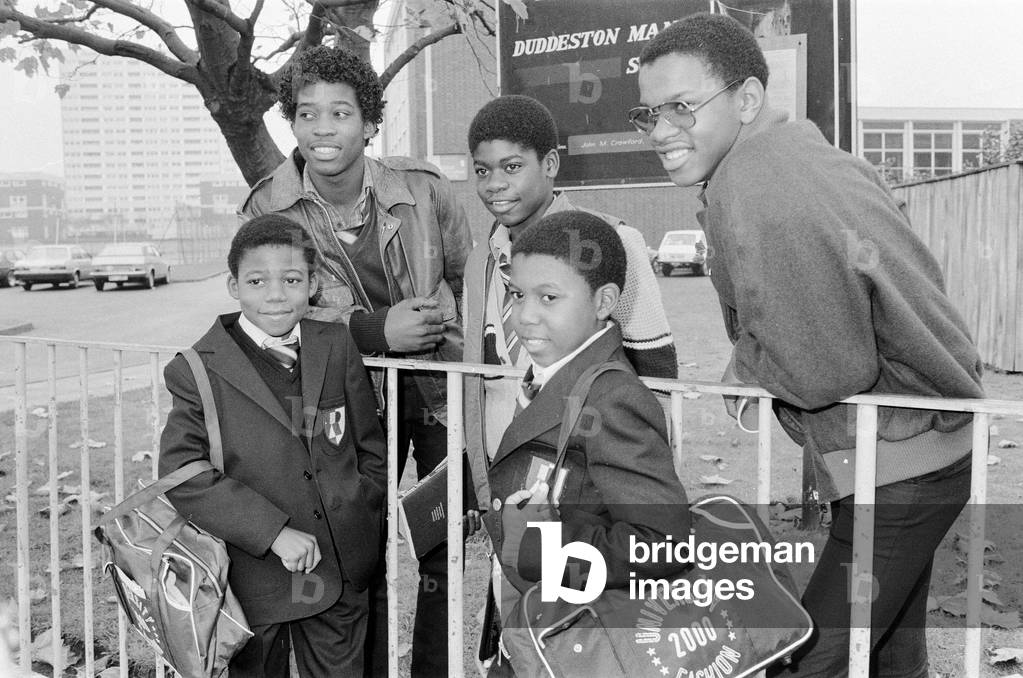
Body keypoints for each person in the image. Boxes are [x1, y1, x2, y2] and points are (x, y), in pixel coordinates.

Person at [634, 13, 984, 677]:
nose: (658, 131)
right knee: (887, 660)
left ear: (745, 99)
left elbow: (824, 370)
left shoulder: (756, 187)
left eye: (681, 106)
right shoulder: (798, 156)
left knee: (803, 661)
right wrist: (750, 359)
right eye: (647, 112)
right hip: (923, 446)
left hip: (899, 467)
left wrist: (754, 368)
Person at [238, 46, 474, 677]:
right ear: (292, 121)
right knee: (353, 546)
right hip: (341, 398)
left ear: (369, 121)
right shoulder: (270, 207)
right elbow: (273, 311)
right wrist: (375, 330)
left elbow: (466, 280)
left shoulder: (424, 189)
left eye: (340, 112)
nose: (323, 129)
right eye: (307, 113)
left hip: (439, 393)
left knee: (442, 543)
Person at [159, 214, 386, 677]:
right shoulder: (197, 368)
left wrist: (362, 506)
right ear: (233, 284)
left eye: (292, 279)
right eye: (257, 281)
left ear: (313, 284)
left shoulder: (335, 343)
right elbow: (183, 472)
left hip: (339, 572)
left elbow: (368, 444)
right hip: (253, 583)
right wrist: (272, 533)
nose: (276, 295)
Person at [463, 94, 678, 511]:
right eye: (481, 170)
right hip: (507, 475)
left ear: (550, 165)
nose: (494, 184)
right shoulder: (481, 262)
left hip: (587, 482)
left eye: (512, 167)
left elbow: (657, 380)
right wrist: (479, 479)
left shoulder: (613, 244)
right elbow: (477, 380)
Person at [485, 210, 688, 637]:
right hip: (537, 612)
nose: (523, 316)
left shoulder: (613, 397)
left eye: (548, 298)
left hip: (581, 629)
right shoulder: (556, 369)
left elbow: (662, 542)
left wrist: (546, 543)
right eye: (517, 295)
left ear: (603, 302)